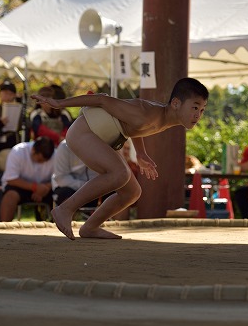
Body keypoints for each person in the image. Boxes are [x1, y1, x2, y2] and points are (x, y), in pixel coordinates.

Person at [30, 77, 209, 240]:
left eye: (202, 110)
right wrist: (59, 103)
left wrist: (141, 153)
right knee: (120, 174)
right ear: (176, 103)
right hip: (83, 132)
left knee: (132, 192)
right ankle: (65, 209)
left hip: (103, 137)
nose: (198, 115)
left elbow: (135, 127)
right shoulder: (148, 113)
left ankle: (90, 227)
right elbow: (102, 99)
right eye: (194, 107)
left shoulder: (160, 117)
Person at [0, 80, 22, 221]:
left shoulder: (19, 110)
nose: (6, 96)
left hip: (13, 153)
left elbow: (24, 128)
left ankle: (8, 220)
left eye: (9, 93)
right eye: (4, 93)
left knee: (10, 189)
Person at [0, 136, 56, 221]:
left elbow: (60, 177)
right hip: (21, 187)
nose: (41, 163)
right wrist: (35, 187)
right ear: (33, 150)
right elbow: (10, 179)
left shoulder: (56, 155)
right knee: (10, 195)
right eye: (39, 160)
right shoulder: (18, 151)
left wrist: (46, 187)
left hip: (47, 187)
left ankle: (60, 225)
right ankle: (4, 226)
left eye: (45, 161)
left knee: (62, 193)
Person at [52, 139, 99, 207]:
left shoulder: (97, 146)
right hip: (67, 187)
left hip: (91, 189)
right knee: (65, 194)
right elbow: (61, 178)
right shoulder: (64, 147)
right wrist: (85, 186)